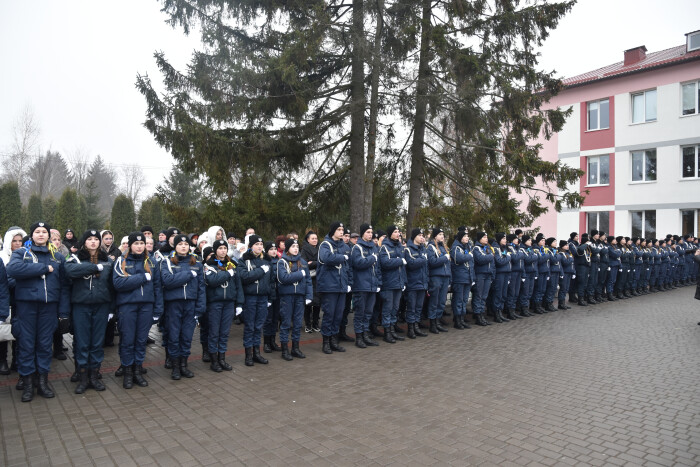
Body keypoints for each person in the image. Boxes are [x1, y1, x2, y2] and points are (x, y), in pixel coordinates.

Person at [7, 222, 70, 402]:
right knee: (26, 345)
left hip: (49, 307)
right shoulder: (22, 253)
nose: (41, 234)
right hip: (27, 307)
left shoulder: (57, 257)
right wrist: (42, 268)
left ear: (49, 236)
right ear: (32, 235)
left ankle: (42, 381)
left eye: (44, 232)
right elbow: (13, 269)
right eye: (37, 232)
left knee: (44, 345)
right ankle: (27, 383)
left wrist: (63, 312)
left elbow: (64, 286)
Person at [64, 230, 114, 393]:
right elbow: (70, 271)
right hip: (81, 305)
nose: (93, 242)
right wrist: (93, 267)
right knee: (83, 342)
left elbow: (112, 286)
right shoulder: (75, 258)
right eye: (89, 239)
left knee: (97, 343)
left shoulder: (107, 261)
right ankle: (83, 376)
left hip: (101, 305)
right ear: (84, 242)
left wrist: (111, 309)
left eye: (95, 239)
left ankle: (94, 375)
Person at [113, 232, 164, 389]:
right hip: (127, 306)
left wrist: (158, 309)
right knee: (128, 340)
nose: (140, 246)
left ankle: (137, 371)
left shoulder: (152, 262)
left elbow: (157, 287)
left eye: (142, 244)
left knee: (141, 341)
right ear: (130, 245)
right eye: (136, 244)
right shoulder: (121, 261)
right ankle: (127, 372)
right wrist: (142, 277)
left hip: (146, 306)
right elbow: (119, 284)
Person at [160, 234, 206, 380]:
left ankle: (184, 365)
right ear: (175, 246)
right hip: (174, 304)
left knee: (186, 336)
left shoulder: (197, 263)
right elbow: (167, 281)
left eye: (186, 244)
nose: (183, 246)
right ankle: (175, 367)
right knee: (174, 336)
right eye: (180, 244)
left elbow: (201, 288)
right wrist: (187, 275)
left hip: (190, 304)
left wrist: (200, 307)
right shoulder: (167, 262)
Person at [203, 240, 243, 371]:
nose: (223, 251)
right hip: (215, 303)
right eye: (220, 248)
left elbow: (238, 285)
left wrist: (239, 303)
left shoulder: (232, 264)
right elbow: (212, 281)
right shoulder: (209, 265)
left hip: (229, 303)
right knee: (214, 332)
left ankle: (222, 359)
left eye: (225, 248)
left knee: (224, 333)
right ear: (215, 250)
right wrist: (227, 274)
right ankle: (214, 361)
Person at [239, 235, 275, 366]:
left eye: (261, 244)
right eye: (256, 244)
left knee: (258, 326)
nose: (259, 247)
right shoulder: (244, 260)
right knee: (250, 326)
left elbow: (271, 281)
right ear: (251, 246)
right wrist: (260, 271)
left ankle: (257, 353)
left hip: (263, 297)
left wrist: (270, 297)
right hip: (250, 297)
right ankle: (248, 355)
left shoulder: (267, 260)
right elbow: (244, 277)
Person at [275, 238, 313, 359]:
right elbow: (283, 278)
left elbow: (308, 281)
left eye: (297, 246)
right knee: (286, 323)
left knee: (297, 323)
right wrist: (299, 274)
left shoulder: (302, 262)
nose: (296, 249)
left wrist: (309, 295)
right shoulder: (282, 262)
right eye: (293, 246)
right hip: (287, 296)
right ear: (287, 248)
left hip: (300, 296)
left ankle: (295, 348)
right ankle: (285, 349)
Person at [317, 222, 351, 354]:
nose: (341, 232)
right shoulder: (325, 245)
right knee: (329, 314)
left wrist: (348, 283)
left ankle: (334, 340)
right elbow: (326, 258)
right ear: (332, 231)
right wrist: (342, 257)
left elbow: (347, 267)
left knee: (338, 315)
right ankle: (326, 342)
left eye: (342, 229)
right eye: (338, 229)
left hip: (341, 286)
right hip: (329, 286)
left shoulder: (344, 246)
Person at [350, 224, 382, 346]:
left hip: (372, 286)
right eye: (368, 232)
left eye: (371, 232)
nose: (370, 234)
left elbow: (378, 267)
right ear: (362, 233)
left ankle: (365, 334)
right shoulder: (357, 248)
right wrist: (371, 259)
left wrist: (378, 282)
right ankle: (359, 337)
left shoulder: (374, 247)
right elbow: (358, 263)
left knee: (368, 312)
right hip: (361, 285)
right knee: (360, 312)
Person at [0, 227, 26, 375]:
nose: (17, 244)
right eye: (14, 241)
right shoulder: (2, 257)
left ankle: (17, 359)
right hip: (5, 298)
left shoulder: (26, 255)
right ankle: (3, 360)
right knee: (3, 331)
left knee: (18, 330)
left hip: (20, 300)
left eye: (20, 241)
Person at [379, 225, 407, 343]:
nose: (398, 234)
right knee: (388, 308)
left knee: (395, 308)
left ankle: (392, 330)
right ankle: (387, 333)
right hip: (389, 283)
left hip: (398, 283)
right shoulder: (385, 247)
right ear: (390, 233)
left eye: (398, 232)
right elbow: (385, 263)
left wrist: (404, 281)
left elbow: (403, 268)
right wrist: (399, 260)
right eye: (395, 232)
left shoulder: (400, 247)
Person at [404, 228, 429, 338]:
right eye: (419, 235)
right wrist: (422, 259)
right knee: (412, 307)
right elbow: (411, 264)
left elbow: (426, 268)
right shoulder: (408, 250)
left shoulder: (423, 249)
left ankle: (416, 326)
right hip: (413, 283)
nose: (422, 237)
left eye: (423, 235)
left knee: (419, 307)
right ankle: (410, 329)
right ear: (414, 237)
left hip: (422, 283)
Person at [426, 228, 450, 334]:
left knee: (441, 301)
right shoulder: (430, 247)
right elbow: (431, 262)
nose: (442, 236)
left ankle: (438, 321)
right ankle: (432, 323)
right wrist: (444, 258)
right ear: (435, 236)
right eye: (440, 234)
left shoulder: (443, 247)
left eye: (443, 234)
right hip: (436, 277)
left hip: (445, 277)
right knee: (434, 301)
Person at [450, 231, 473, 329]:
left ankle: (462, 319)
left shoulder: (467, 247)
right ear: (460, 238)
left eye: (467, 236)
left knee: (464, 300)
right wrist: (469, 256)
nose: (467, 238)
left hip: (467, 277)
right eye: (465, 236)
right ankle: (457, 320)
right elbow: (458, 259)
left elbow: (471, 264)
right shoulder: (456, 248)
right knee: (458, 300)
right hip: (459, 278)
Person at [262, 242, 282, 353]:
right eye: (271, 249)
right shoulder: (265, 262)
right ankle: (266, 343)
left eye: (275, 249)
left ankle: (273, 341)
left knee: (275, 318)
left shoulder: (280, 261)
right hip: (268, 294)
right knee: (268, 319)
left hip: (278, 293)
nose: (274, 251)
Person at [471, 232, 494, 326]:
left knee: (484, 296)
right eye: (484, 237)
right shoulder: (476, 248)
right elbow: (480, 259)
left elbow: (490, 260)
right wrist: (490, 256)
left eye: (487, 237)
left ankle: (482, 314)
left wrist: (489, 257)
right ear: (479, 239)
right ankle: (477, 315)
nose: (486, 239)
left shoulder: (487, 248)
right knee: (478, 295)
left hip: (488, 274)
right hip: (480, 274)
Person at [301, 231, 321, 333]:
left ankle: (315, 324)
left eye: (316, 238)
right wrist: (316, 263)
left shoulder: (320, 248)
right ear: (308, 240)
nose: (315, 240)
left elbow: (322, 261)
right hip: (308, 280)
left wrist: (313, 262)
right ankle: (308, 324)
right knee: (308, 303)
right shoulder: (304, 249)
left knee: (317, 304)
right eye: (312, 238)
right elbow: (304, 263)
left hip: (318, 279)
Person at [506, 234, 525, 320]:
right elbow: (515, 258)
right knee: (512, 292)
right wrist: (520, 254)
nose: (517, 240)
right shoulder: (509, 248)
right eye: (515, 239)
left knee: (516, 292)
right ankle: (510, 311)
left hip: (519, 272)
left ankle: (513, 310)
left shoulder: (517, 248)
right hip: (513, 272)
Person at [517, 235, 536, 317]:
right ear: (524, 241)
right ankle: (523, 309)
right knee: (525, 292)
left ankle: (526, 308)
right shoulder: (522, 249)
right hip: (526, 273)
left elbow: (534, 257)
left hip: (532, 272)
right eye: (529, 240)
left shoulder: (530, 249)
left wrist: (533, 256)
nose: (530, 242)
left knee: (529, 292)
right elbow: (527, 259)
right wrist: (534, 256)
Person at [558, 240, 574, 310]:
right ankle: (561, 303)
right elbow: (565, 262)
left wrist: (574, 272)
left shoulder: (568, 253)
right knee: (563, 288)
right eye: (565, 245)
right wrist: (570, 258)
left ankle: (563, 303)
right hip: (564, 273)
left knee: (566, 288)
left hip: (569, 272)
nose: (567, 246)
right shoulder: (561, 254)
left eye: (567, 245)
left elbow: (572, 264)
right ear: (562, 246)